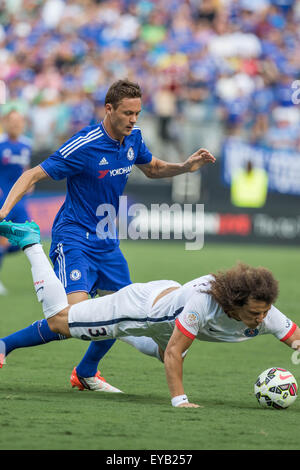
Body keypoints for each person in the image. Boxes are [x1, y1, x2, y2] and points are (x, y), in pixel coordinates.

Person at [0, 79, 216, 392]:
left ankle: (86, 372)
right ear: (109, 108)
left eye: (137, 113)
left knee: (123, 313)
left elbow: (153, 168)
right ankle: (5, 344)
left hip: (108, 245)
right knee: (72, 319)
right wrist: (4, 211)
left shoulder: (134, 138)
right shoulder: (84, 144)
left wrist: (185, 166)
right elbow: (32, 174)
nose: (133, 119)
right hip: (74, 238)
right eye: (127, 112)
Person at [0, 220, 299, 407]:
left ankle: (86, 371)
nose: (261, 319)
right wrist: (180, 401)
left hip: (164, 313)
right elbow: (173, 354)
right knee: (59, 320)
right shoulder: (203, 303)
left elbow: (294, 335)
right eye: (255, 313)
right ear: (235, 302)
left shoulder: (264, 310)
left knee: (136, 337)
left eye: (264, 312)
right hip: (139, 309)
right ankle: (31, 242)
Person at [0, 109, 32, 295]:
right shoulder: (1, 144)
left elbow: (26, 169)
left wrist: (29, 183)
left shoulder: (26, 145)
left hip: (20, 200)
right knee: (2, 240)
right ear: (6, 123)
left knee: (25, 237)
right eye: (12, 121)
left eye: (19, 122)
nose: (16, 125)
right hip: (3, 199)